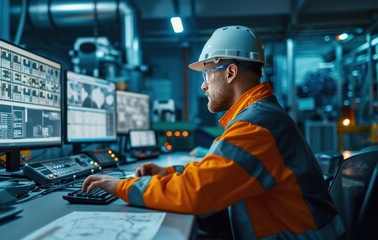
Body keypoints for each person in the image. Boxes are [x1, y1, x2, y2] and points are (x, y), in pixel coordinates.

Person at [82, 26, 345, 239]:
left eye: (207, 74)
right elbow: (216, 174)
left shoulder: (255, 127)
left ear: (230, 72)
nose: (203, 86)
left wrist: (121, 186)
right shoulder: (261, 117)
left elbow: (196, 193)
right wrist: (167, 172)